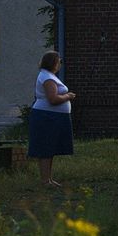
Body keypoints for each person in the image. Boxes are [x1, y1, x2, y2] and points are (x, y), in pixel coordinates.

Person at [28, 50, 76, 186]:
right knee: (45, 148)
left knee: (50, 148)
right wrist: (68, 96)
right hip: (47, 117)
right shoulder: (47, 77)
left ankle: (48, 179)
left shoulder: (49, 75)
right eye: (58, 61)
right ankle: (45, 180)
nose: (60, 63)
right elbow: (53, 99)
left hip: (53, 117)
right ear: (53, 62)